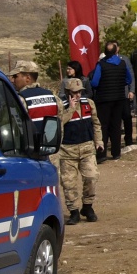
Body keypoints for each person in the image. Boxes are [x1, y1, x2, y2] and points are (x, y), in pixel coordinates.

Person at [57, 61, 99, 223]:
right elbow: (60, 123)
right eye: (74, 92)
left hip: (87, 147)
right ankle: (73, 211)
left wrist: (99, 140)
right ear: (68, 92)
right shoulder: (61, 107)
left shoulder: (89, 104)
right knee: (69, 183)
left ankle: (87, 206)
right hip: (68, 150)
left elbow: (96, 123)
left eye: (79, 92)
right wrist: (71, 109)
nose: (77, 95)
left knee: (92, 177)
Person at [88, 41, 134, 161]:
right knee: (116, 125)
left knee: (103, 125)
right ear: (115, 51)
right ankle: (116, 152)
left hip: (103, 99)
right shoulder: (122, 63)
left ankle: (102, 154)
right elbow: (129, 79)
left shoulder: (101, 65)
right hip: (119, 98)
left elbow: (94, 82)